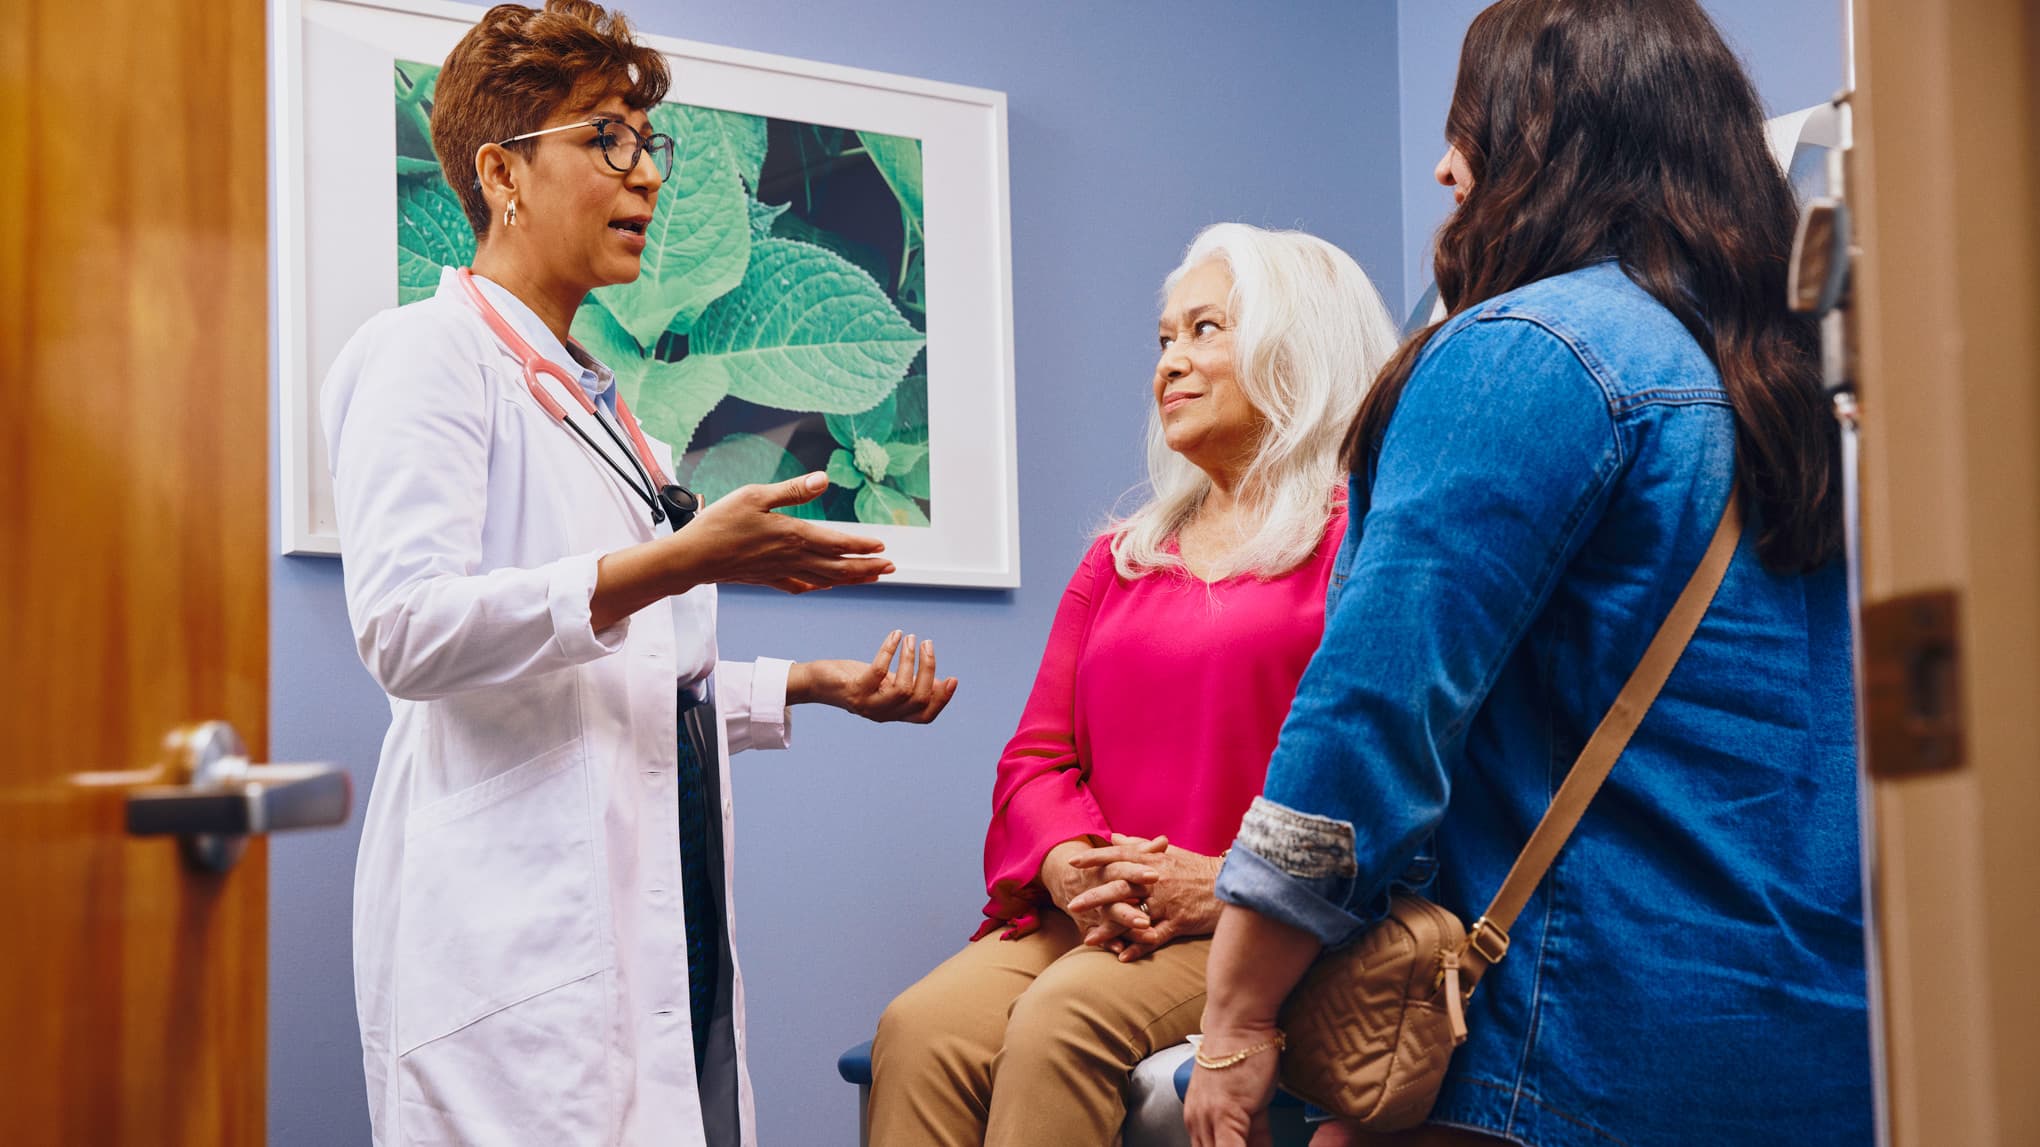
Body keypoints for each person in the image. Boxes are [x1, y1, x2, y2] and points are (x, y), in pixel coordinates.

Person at [1186, 2, 1872, 1145]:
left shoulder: (1530, 352)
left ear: (1542, 135)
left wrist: (1239, 1012)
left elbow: (1370, 713)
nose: (1450, 168)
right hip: (1826, 1052)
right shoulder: (1797, 384)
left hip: (1573, 1055)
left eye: (1470, 124)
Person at [321, 4, 957, 1144]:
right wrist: (679, 558)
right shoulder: (425, 355)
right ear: (502, 172)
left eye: (647, 143)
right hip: (517, 944)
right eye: (608, 138)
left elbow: (629, 674)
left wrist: (810, 683)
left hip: (661, 911)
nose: (648, 176)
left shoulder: (599, 405)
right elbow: (406, 630)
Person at [868, 223, 1400, 1145]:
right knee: (917, 1028)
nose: (1170, 364)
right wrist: (1072, 865)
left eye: (1204, 330)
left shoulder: (1358, 542)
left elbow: (1374, 771)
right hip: (1105, 912)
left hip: (1258, 921)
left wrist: (1234, 882)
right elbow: (1036, 759)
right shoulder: (1119, 559)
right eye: (1164, 339)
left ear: (1298, 347)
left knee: (1062, 1023)